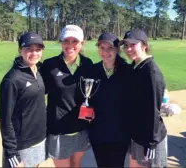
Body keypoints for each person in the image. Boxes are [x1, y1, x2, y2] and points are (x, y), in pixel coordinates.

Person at [40, 25, 93, 167]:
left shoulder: (87, 64)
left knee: (76, 164)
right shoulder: (49, 65)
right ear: (61, 42)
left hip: (81, 128)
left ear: (81, 43)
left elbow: (93, 95)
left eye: (74, 41)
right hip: (58, 129)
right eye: (66, 40)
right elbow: (36, 91)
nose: (70, 45)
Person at [121, 29, 168, 168]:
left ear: (144, 45)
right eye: (126, 45)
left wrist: (151, 143)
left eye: (133, 45)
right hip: (136, 134)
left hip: (149, 138)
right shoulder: (135, 66)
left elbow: (154, 111)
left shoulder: (151, 72)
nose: (128, 49)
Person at [0, 32, 46, 167]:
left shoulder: (38, 70)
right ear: (20, 50)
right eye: (28, 49)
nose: (34, 53)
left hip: (39, 138)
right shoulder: (12, 80)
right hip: (22, 144)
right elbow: (5, 120)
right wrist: (12, 153)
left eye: (38, 49)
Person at [85, 32, 131, 167]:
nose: (105, 52)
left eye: (110, 48)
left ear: (117, 49)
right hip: (97, 132)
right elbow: (86, 98)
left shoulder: (128, 71)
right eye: (101, 48)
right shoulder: (92, 70)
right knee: (101, 164)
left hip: (120, 133)